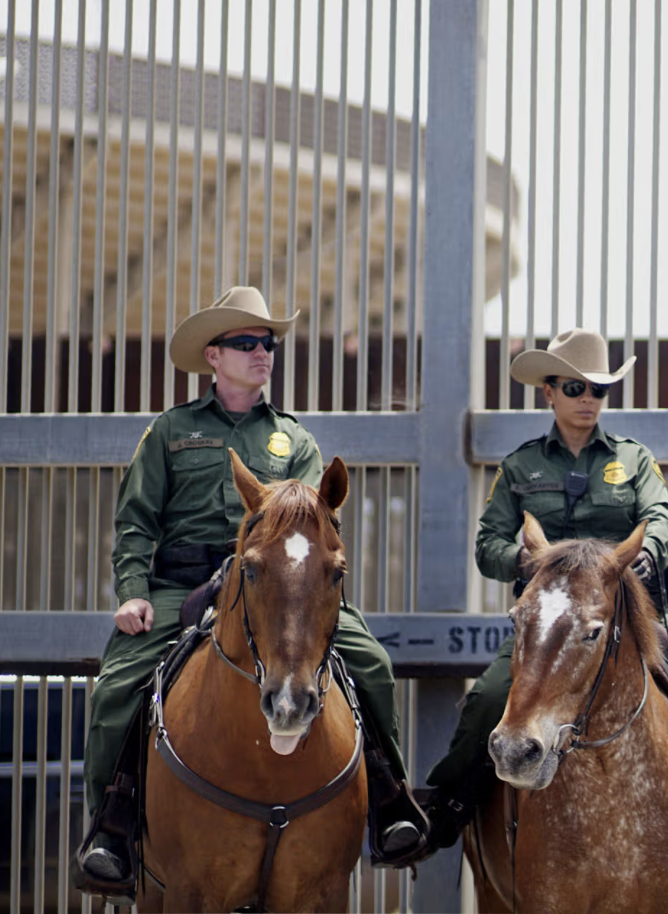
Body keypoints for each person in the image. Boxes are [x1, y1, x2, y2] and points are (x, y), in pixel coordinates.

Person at [417, 328, 668, 902]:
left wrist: (648, 552)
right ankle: (446, 812)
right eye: (575, 387)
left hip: (634, 619)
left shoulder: (633, 459)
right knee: (486, 701)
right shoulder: (520, 467)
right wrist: (524, 559)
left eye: (599, 388)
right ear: (549, 392)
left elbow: (661, 516)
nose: (588, 398)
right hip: (550, 624)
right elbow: (488, 543)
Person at [72, 286, 428, 897]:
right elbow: (136, 520)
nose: (262, 352)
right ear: (213, 356)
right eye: (247, 343)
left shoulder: (296, 441)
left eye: (268, 343)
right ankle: (112, 828)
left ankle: (388, 803)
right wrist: (132, 590)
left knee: (371, 663)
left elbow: (317, 531)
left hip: (275, 587)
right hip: (180, 584)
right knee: (116, 686)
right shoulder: (170, 431)